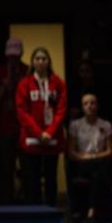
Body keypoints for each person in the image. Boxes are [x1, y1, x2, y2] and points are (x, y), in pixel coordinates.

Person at [15, 47, 67, 206]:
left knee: (51, 178)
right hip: (31, 140)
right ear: (32, 62)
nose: (40, 61)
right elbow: (22, 111)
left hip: (52, 140)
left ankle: (51, 210)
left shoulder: (57, 83)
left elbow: (61, 109)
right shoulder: (25, 84)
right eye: (37, 58)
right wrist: (39, 133)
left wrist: (49, 132)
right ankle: (34, 212)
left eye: (44, 58)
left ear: (48, 61)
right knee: (32, 180)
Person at [68, 93, 112, 223]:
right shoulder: (75, 125)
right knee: (97, 168)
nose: (89, 106)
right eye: (86, 103)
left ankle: (91, 214)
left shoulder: (106, 125)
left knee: (97, 174)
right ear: (82, 107)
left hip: (99, 161)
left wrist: (94, 156)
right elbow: (72, 152)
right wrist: (84, 157)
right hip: (81, 163)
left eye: (92, 103)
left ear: (97, 105)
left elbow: (110, 151)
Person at [0, 37, 28, 203]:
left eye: (16, 56)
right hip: (4, 127)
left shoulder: (27, 71)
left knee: (27, 167)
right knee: (6, 168)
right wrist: (4, 86)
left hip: (24, 127)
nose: (14, 60)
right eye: (11, 57)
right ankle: (7, 202)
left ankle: (27, 200)